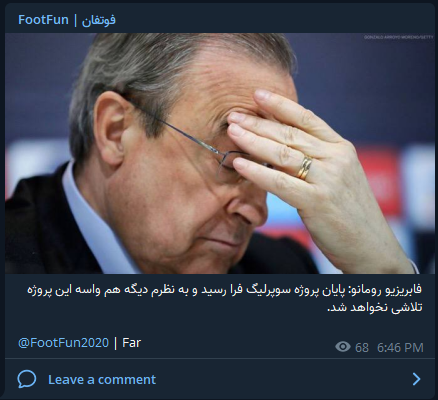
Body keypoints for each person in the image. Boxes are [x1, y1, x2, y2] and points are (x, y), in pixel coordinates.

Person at [5, 33, 417, 274]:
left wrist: (384, 272)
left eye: (268, 167)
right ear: (116, 131)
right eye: (232, 160)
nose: (258, 213)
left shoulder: (280, 272)